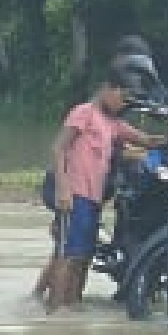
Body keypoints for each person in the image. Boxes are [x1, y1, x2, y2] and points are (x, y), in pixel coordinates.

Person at [43, 74, 130, 313]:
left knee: (83, 258)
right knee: (67, 256)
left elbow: (144, 139)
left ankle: (71, 307)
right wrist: (63, 188)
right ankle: (53, 314)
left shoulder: (112, 124)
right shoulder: (84, 112)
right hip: (75, 194)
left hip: (94, 200)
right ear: (107, 89)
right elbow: (58, 147)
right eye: (122, 96)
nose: (124, 103)